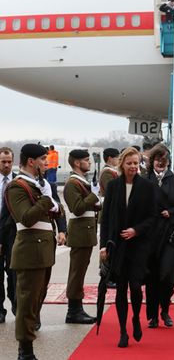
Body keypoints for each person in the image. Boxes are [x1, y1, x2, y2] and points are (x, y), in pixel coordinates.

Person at [5, 144, 63, 360]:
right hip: (29, 252)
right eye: (42, 160)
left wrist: (52, 203)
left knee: (37, 300)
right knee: (27, 303)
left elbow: (58, 211)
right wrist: (47, 200)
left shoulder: (40, 184)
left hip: (43, 251)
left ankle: (27, 345)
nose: (46, 164)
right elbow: (26, 218)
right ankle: (25, 351)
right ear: (31, 162)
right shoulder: (17, 186)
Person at [100, 147, 156, 348]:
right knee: (121, 288)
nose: (133, 167)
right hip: (117, 244)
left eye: (136, 163)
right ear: (122, 164)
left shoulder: (148, 187)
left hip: (139, 244)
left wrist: (137, 230)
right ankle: (123, 330)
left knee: (135, 286)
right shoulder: (114, 186)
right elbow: (105, 218)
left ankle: (136, 317)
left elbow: (153, 217)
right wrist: (103, 246)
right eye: (129, 163)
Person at [145, 144, 174, 328]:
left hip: (170, 235)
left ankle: (165, 308)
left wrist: (172, 212)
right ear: (152, 161)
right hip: (150, 236)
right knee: (152, 277)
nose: (161, 162)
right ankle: (153, 315)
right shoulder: (144, 180)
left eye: (164, 159)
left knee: (168, 277)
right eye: (157, 159)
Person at [64, 149, 101, 325]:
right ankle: (73, 311)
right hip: (79, 233)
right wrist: (93, 195)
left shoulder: (81, 182)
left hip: (85, 233)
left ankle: (76, 309)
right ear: (77, 163)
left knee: (80, 271)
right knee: (76, 273)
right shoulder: (72, 183)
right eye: (86, 160)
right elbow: (77, 208)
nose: (90, 163)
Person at [0, 147, 16, 323]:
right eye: (3, 162)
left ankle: (16, 305)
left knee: (14, 274)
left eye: (9, 162)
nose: (6, 165)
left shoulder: (18, 181)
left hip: (12, 235)